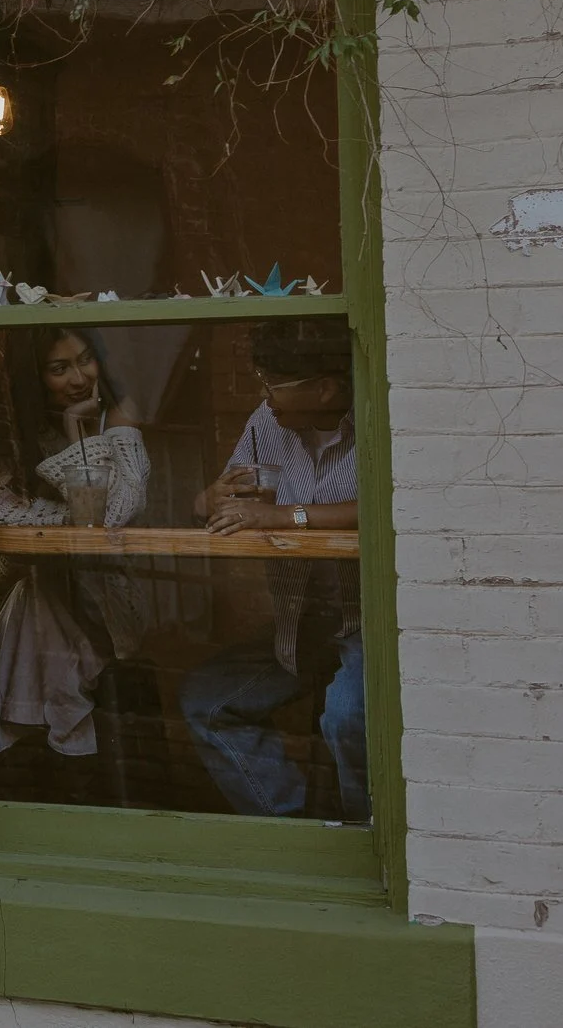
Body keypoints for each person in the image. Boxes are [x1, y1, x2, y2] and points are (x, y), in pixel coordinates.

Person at [179, 319, 365, 820]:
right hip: (299, 624)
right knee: (207, 701)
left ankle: (364, 838)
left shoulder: (377, 415)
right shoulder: (268, 421)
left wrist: (287, 516)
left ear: (325, 388)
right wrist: (208, 499)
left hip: (365, 624)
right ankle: (294, 825)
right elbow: (219, 499)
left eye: (272, 384)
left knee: (348, 718)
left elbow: (388, 503)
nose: (264, 396)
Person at [0, 329, 151, 763]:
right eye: (59, 368)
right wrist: (76, 517)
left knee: (41, 602)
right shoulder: (3, 422)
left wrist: (82, 435)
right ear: (33, 376)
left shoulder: (117, 420)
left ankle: (39, 754)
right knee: (36, 593)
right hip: (24, 586)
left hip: (109, 600)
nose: (79, 378)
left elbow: (116, 512)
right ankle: (61, 756)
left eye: (86, 360)